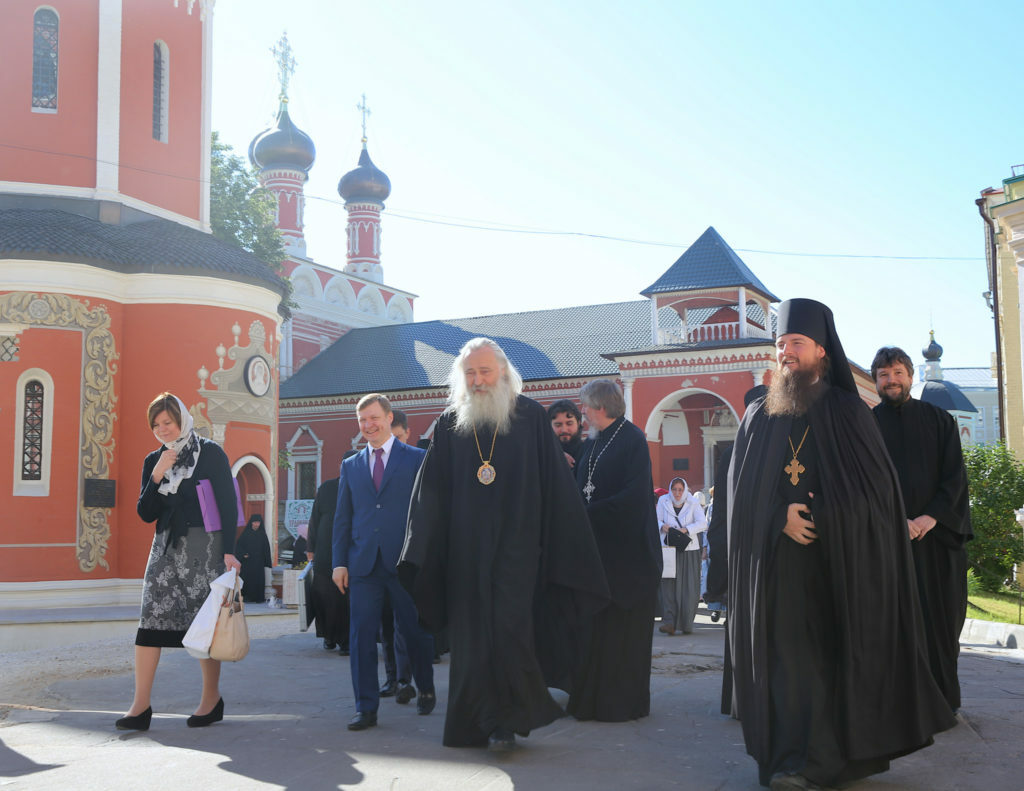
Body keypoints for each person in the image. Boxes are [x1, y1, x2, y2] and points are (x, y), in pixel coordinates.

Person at [726, 299, 955, 790]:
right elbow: (739, 501)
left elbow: (877, 501)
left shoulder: (849, 412)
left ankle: (821, 761)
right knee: (785, 665)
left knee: (826, 663)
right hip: (777, 568)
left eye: (796, 344)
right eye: (781, 344)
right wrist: (777, 517)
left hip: (835, 567)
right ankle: (785, 757)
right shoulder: (760, 416)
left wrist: (823, 516)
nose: (786, 353)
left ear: (822, 351)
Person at [399, 337, 609, 751]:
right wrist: (422, 546)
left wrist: (562, 540)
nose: (477, 381)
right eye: (470, 374)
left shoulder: (530, 417)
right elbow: (431, 494)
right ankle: (471, 722)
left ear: (503, 373)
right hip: (466, 553)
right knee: (471, 638)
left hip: (518, 550)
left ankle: (506, 720)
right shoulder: (449, 423)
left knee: (510, 632)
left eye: (485, 372)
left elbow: (554, 485)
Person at [116, 392, 241, 731]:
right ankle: (140, 706)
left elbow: (228, 504)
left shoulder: (210, 453)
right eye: (156, 425)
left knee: (206, 626)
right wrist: (157, 475)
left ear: (181, 419)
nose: (162, 430)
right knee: (150, 622)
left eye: (167, 423)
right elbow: (145, 513)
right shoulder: (153, 460)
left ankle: (211, 699)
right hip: (165, 549)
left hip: (206, 548)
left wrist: (230, 551)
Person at [872, 346, 973, 711]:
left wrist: (929, 518)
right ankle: (901, 707)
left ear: (911, 377)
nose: (892, 380)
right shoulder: (866, 426)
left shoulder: (939, 420)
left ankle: (943, 703)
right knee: (894, 624)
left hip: (938, 539)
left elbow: (955, 478)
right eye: (884, 375)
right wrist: (895, 521)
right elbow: (864, 484)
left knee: (943, 623)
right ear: (877, 382)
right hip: (888, 541)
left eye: (898, 373)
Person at [332, 394, 436, 731]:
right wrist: (338, 562)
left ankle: (425, 686)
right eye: (362, 420)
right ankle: (366, 707)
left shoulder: (417, 458)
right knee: (361, 636)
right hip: (363, 565)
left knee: (414, 631)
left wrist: (424, 557)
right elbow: (342, 518)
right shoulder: (351, 465)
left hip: (405, 562)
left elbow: (427, 512)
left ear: (389, 418)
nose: (368, 426)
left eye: (374, 418)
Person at [568, 378, 662, 722]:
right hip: (598, 555)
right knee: (594, 633)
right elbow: (583, 486)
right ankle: (589, 701)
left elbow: (635, 498)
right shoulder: (592, 442)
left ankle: (621, 704)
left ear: (602, 408)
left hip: (628, 558)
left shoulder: (633, 439)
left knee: (622, 637)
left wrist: (588, 514)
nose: (583, 413)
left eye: (586, 407)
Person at [656, 478, 707, 635]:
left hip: (689, 549)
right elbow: (655, 518)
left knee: (688, 587)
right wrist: (661, 525)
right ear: (670, 489)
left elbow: (703, 523)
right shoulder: (664, 501)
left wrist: (686, 529)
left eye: (680, 489)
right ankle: (669, 622)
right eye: (674, 489)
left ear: (684, 490)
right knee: (668, 585)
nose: (677, 493)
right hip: (669, 548)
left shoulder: (692, 502)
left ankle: (686, 623)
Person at [307, 477, 350, 654]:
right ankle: (329, 636)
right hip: (325, 553)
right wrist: (311, 548)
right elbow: (315, 519)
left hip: (349, 553)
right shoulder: (326, 488)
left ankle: (345, 640)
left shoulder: (362, 485)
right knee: (324, 597)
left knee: (346, 600)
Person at [235, 514, 272, 604]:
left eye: (258, 522)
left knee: (258, 580)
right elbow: (238, 546)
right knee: (247, 580)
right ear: (251, 523)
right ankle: (247, 597)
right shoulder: (246, 533)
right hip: (248, 562)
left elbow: (266, 548)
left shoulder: (262, 534)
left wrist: (267, 561)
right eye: (255, 522)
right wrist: (243, 554)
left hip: (259, 562)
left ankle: (258, 598)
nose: (256, 524)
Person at [547, 398, 585, 465]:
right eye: (558, 425)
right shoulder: (541, 455)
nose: (564, 430)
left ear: (579, 423)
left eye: (569, 423)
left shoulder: (589, 452)